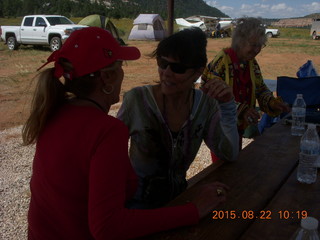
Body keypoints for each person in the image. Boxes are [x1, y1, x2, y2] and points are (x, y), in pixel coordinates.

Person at [22, 27, 230, 240]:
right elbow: (108, 227)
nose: (123, 73)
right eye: (121, 67)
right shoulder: (106, 130)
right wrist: (193, 210)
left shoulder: (54, 112)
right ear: (108, 77)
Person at [117, 27, 239, 209]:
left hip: (180, 201)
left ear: (198, 72)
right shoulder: (137, 101)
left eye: (178, 68)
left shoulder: (205, 106)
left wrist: (228, 106)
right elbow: (109, 157)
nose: (166, 72)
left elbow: (229, 154)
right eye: (162, 63)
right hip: (136, 206)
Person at [202, 17, 290, 151]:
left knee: (235, 158)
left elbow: (260, 89)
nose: (257, 50)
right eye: (253, 45)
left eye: (260, 45)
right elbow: (212, 95)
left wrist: (272, 102)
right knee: (225, 162)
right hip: (221, 127)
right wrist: (242, 110)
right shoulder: (222, 61)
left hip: (238, 126)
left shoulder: (251, 63)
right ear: (240, 41)